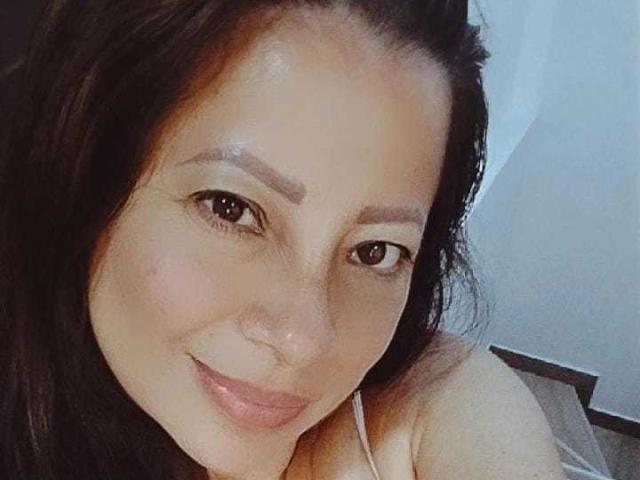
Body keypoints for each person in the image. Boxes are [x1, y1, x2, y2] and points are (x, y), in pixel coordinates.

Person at [0, 1, 568, 479]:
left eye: (375, 251)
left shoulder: (423, 414)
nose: (304, 339)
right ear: (85, 173)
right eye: (231, 208)